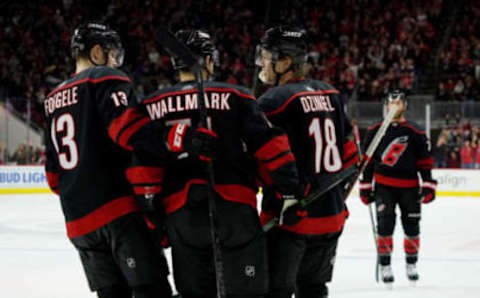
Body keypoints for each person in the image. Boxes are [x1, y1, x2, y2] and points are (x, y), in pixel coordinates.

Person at [44, 22, 215, 298]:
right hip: (117, 212)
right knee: (151, 289)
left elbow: (53, 178)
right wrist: (181, 136)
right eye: (113, 54)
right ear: (97, 51)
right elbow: (128, 131)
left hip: (77, 222)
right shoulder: (104, 78)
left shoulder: (51, 99)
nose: (115, 62)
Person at [130, 29, 299, 298]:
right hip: (235, 211)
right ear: (208, 61)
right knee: (248, 292)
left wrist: (153, 215)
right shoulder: (237, 96)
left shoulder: (151, 105)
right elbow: (270, 146)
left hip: (181, 216)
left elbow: (143, 168)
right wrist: (288, 192)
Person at [255, 26, 359, 298]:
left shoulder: (274, 101)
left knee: (275, 291)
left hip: (290, 220)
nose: (261, 63)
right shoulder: (331, 94)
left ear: (285, 62)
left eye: (266, 56)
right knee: (314, 290)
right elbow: (350, 152)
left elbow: (261, 159)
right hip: (331, 216)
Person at [359, 90, 437, 285]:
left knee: (412, 228)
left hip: (410, 188)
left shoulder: (416, 132)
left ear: (405, 106)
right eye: (391, 103)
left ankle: (411, 264)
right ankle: (385, 265)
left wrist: (428, 185)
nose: (394, 106)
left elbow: (425, 162)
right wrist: (365, 186)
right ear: (386, 105)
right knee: (385, 227)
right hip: (384, 187)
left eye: (398, 103)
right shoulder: (375, 130)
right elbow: (367, 162)